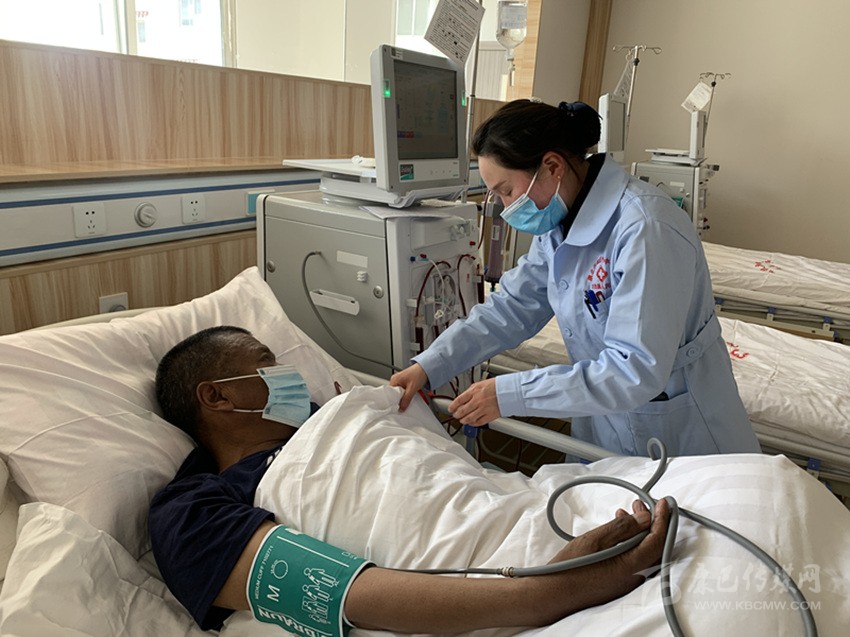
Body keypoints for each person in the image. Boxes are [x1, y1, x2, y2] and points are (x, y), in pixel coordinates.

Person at [149, 325, 669, 635]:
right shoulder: (191, 510)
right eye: (267, 364)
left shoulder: (337, 415)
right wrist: (558, 587)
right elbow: (344, 591)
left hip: (534, 509)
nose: (291, 375)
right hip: (531, 580)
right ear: (216, 396)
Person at [391, 99, 760, 458]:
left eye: (506, 191)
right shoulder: (559, 225)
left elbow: (635, 368)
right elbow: (512, 307)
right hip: (605, 421)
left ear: (552, 166)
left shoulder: (646, 228)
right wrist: (430, 364)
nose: (505, 208)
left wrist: (511, 393)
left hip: (680, 430)